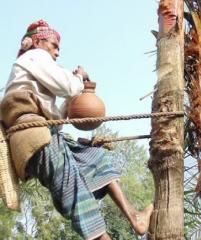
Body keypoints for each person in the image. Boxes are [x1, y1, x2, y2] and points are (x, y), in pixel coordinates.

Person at [0, 20, 153, 240]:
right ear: (36, 41)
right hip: (36, 139)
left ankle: (134, 216)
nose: (56, 52)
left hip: (43, 136)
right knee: (75, 195)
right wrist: (80, 78)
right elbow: (68, 86)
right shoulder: (32, 57)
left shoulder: (30, 75)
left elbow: (57, 119)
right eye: (53, 45)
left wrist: (74, 95)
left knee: (95, 158)